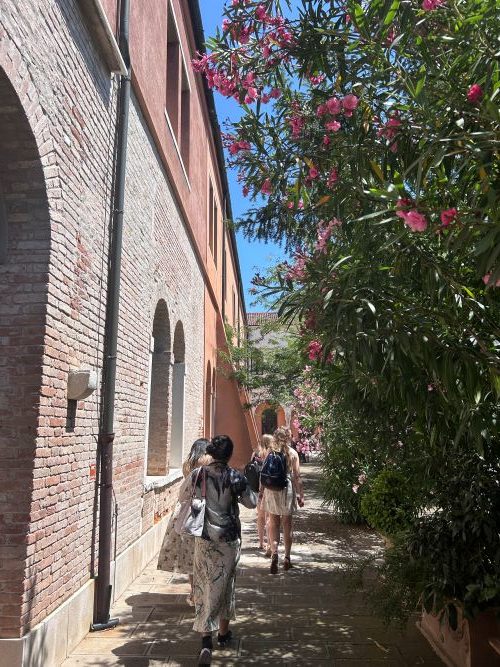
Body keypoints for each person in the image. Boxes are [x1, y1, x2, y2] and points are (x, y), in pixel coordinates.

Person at [190, 435, 257, 665]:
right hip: (228, 540)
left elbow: (182, 497)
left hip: (205, 538)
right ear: (229, 454)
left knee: (203, 584)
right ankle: (223, 633)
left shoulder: (198, 474)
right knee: (226, 584)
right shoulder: (235, 476)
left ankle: (205, 639)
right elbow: (252, 503)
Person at [157, 438, 211, 605]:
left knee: (191, 555)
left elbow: (184, 492)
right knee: (206, 555)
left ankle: (194, 592)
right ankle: (204, 592)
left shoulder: (187, 464)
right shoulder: (209, 462)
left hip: (189, 512)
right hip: (206, 511)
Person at [261, 426, 304, 574]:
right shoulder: (292, 454)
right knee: (287, 524)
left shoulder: (270, 452)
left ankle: (274, 553)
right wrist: (300, 495)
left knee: (273, 523)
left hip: (272, 490)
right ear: (288, 437)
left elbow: (264, 473)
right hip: (287, 489)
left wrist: (261, 492)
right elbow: (297, 476)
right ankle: (287, 558)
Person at [254, 434, 274, 553]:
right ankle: (270, 544)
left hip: (257, 489)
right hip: (267, 488)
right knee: (269, 518)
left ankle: (261, 542)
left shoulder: (255, 454)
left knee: (260, 517)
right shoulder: (271, 455)